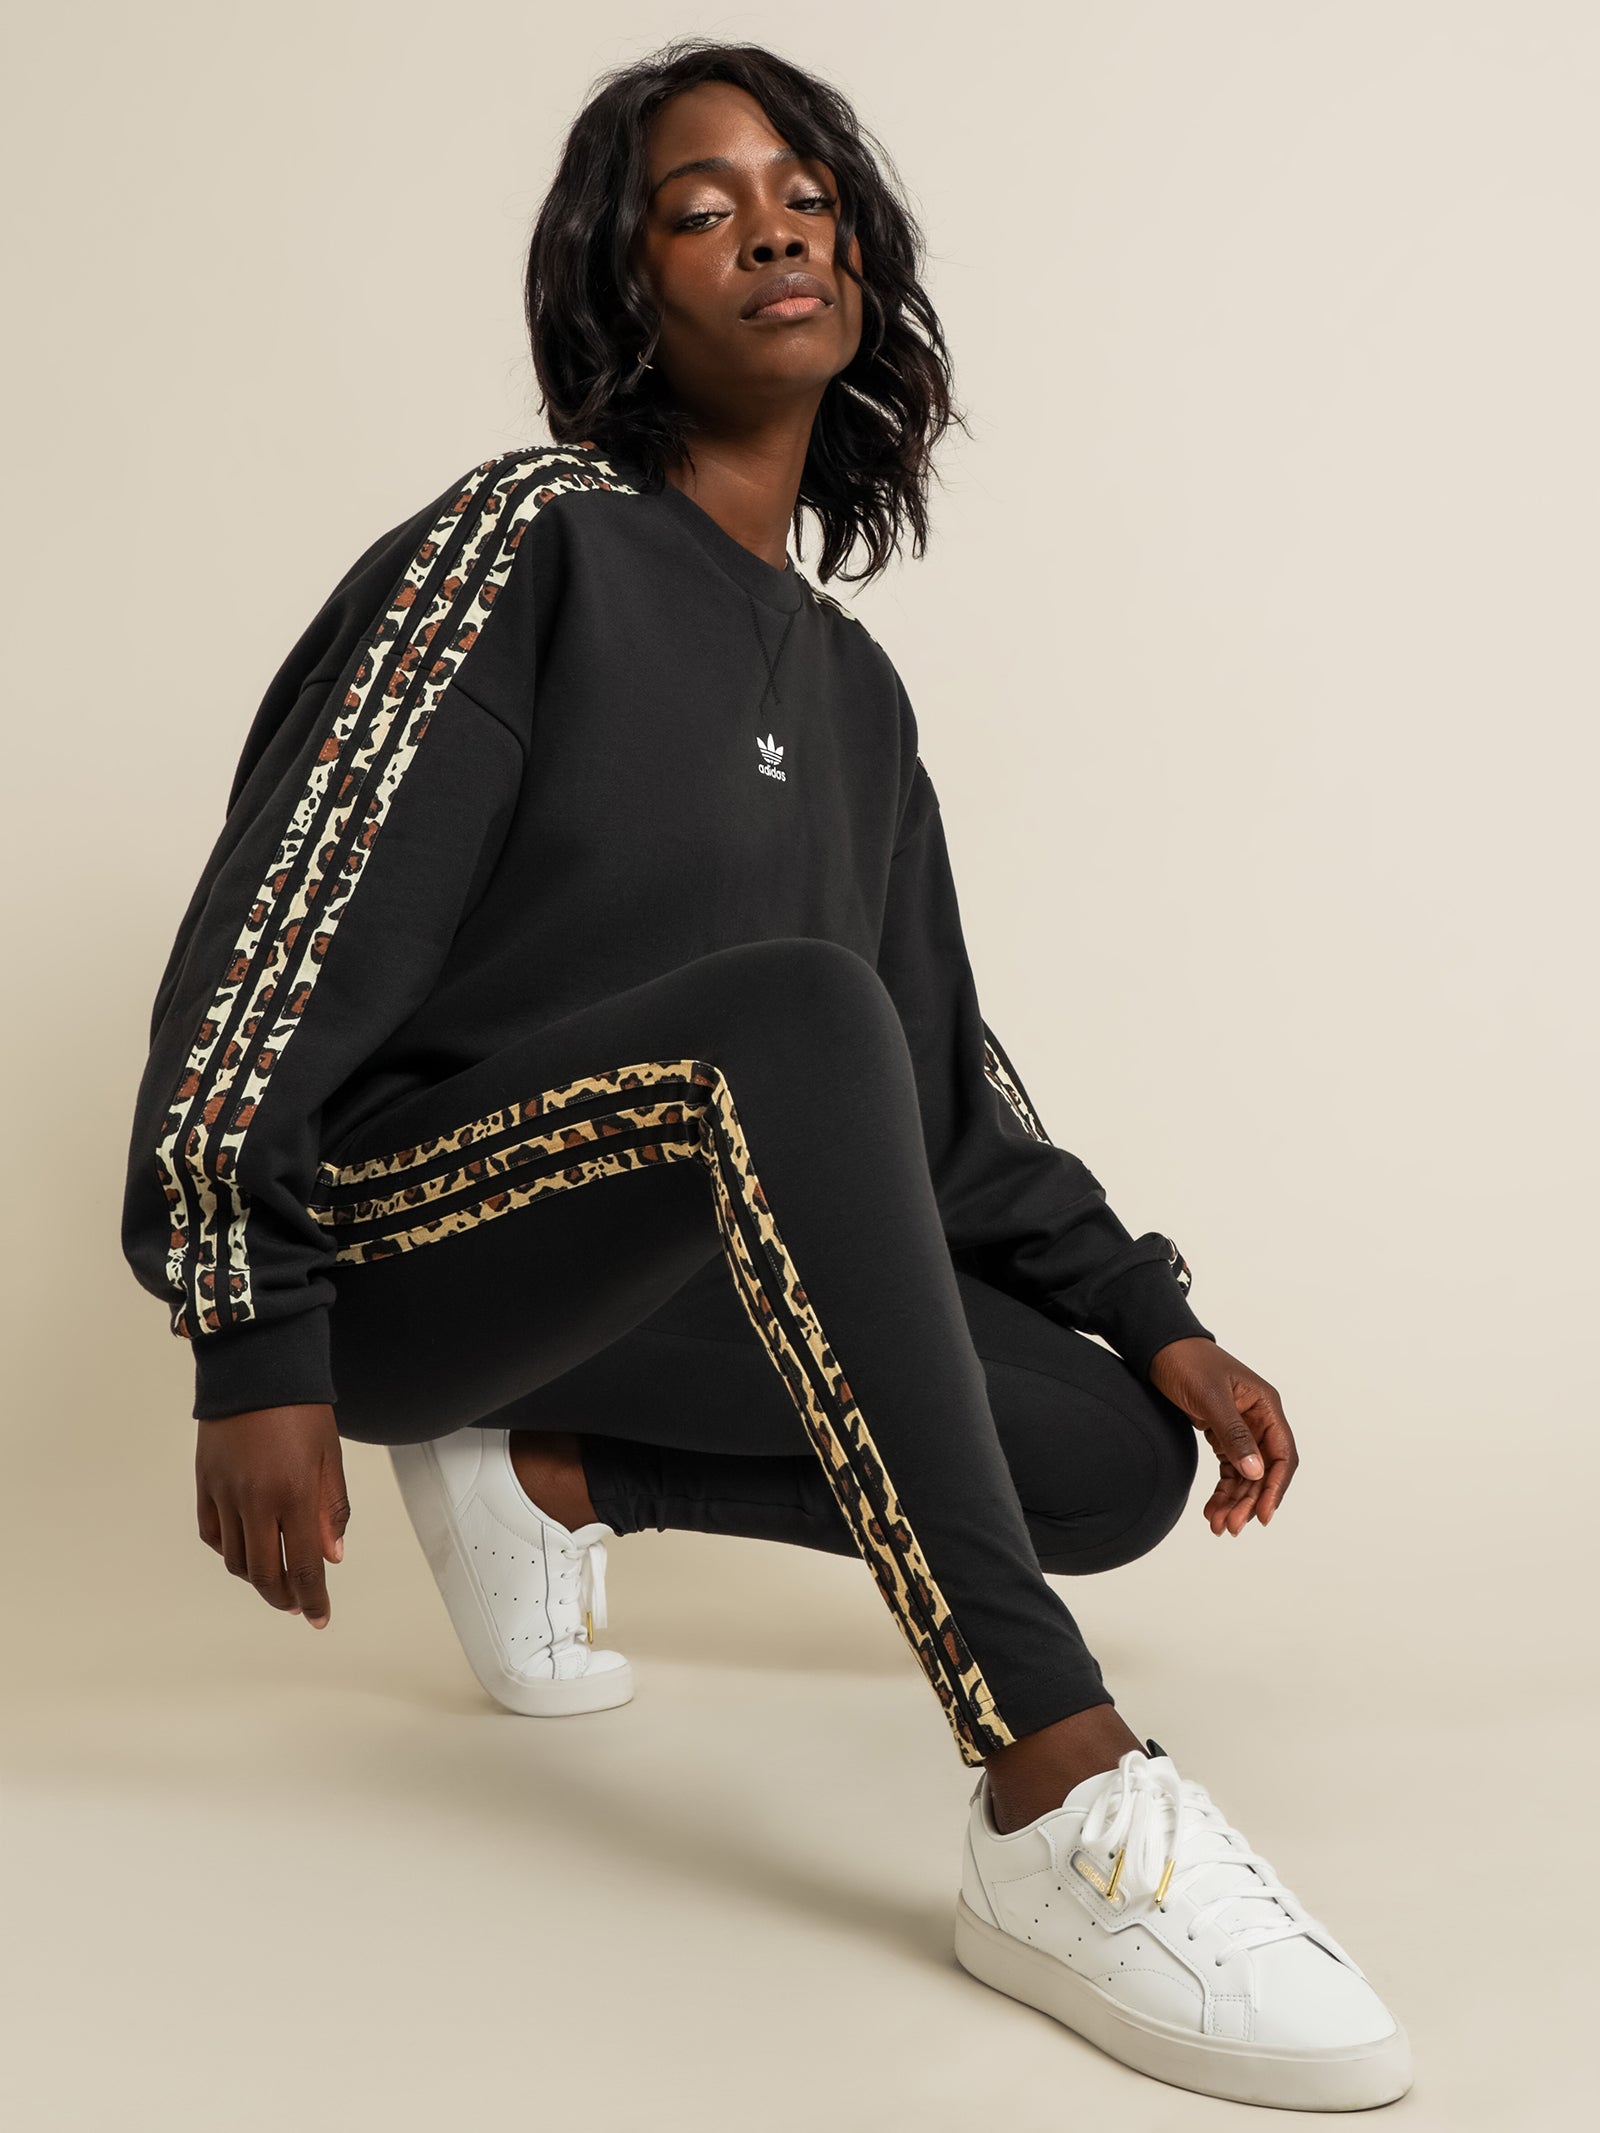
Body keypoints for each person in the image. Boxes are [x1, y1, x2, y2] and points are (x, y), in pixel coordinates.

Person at [119, 37, 1410, 2112]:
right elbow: (281, 919)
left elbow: (941, 1090)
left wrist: (1148, 1313)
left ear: (860, 259)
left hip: (651, 1259)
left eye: (804, 196)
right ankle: (1057, 1795)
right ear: (620, 289)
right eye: (699, 208)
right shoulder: (531, 540)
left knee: (1105, 1462)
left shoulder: (856, 693)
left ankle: (555, 1476)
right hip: (402, 1248)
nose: (771, 230)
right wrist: (250, 1329)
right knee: (794, 1010)